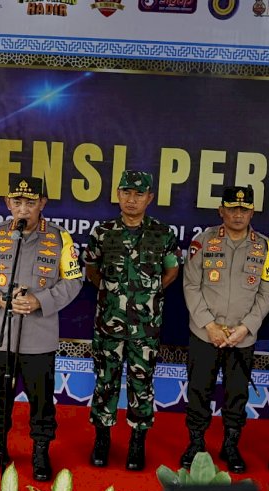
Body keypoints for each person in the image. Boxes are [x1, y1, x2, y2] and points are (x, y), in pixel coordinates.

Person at [0, 175, 83, 481]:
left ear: (42, 204)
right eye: (16, 202)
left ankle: (41, 451)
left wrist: (39, 300)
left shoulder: (60, 238)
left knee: (41, 401)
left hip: (38, 337)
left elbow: (74, 280)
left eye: (30, 203)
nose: (23, 209)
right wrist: (0, 300)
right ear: (8, 203)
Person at [82, 170, 181, 471]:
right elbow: (91, 270)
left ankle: (137, 444)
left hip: (145, 329)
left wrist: (146, 296)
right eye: (126, 192)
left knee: (142, 385)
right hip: (108, 325)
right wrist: (115, 296)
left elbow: (171, 272)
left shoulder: (163, 233)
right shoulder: (103, 231)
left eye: (139, 194)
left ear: (150, 198)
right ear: (118, 195)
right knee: (105, 384)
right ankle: (102, 440)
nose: (132, 199)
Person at [181, 186, 269, 472]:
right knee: (200, 391)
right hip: (205, 334)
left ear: (252, 212)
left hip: (242, 337)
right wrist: (209, 325)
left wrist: (247, 327)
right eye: (232, 209)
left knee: (237, 394)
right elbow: (190, 285)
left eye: (244, 209)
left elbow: (268, 292)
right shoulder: (203, 241)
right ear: (221, 211)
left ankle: (230, 446)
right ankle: (196, 444)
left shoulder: (264, 247)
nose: (238, 215)